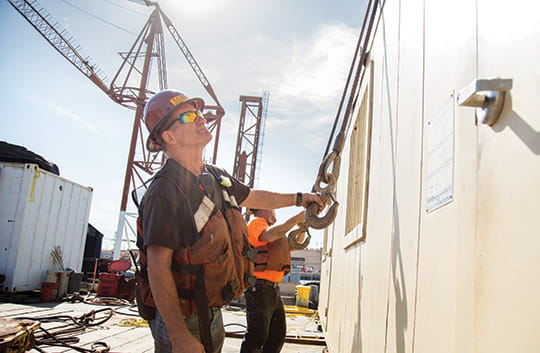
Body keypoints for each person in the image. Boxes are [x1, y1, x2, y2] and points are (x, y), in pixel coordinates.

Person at [135, 89, 323, 353]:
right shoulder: (164, 191)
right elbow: (158, 267)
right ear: (169, 136)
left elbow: (255, 196)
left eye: (199, 113)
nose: (201, 118)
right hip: (180, 316)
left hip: (209, 308)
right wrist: (178, 336)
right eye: (189, 116)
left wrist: (301, 198)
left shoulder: (215, 177)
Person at [240, 209, 306, 353]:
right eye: (272, 208)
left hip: (272, 290)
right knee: (257, 337)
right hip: (259, 288)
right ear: (265, 209)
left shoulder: (277, 234)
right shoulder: (256, 222)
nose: (274, 211)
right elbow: (267, 235)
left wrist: (303, 224)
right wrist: (296, 218)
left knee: (277, 336)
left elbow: (294, 243)